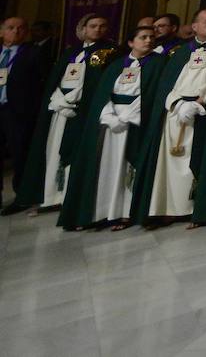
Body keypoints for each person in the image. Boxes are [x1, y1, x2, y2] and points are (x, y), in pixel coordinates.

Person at [130, 8, 206, 227]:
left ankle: (196, 208)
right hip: (175, 115)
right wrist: (176, 102)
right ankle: (170, 208)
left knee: (197, 164)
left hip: (204, 115)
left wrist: (198, 103)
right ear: (194, 27)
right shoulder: (180, 52)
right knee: (170, 166)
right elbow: (167, 83)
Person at [58, 24, 169, 230]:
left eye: (151, 37)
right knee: (104, 168)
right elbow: (103, 94)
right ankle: (99, 213)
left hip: (134, 123)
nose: (148, 40)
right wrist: (109, 115)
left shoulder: (158, 63)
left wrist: (127, 116)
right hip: (109, 125)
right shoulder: (116, 65)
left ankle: (124, 213)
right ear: (130, 42)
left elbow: (153, 94)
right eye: (143, 37)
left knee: (126, 168)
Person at [7, 14, 115, 214]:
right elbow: (56, 79)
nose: (98, 29)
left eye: (102, 25)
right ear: (82, 29)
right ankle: (51, 196)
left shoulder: (107, 51)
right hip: (60, 110)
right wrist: (58, 98)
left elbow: (95, 79)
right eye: (93, 26)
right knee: (52, 151)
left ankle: (68, 195)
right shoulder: (71, 52)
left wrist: (74, 99)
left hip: (80, 111)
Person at [0, 18, 49, 209]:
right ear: (2, 31)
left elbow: (41, 84)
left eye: (21, 28)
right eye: (11, 28)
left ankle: (21, 196)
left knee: (20, 154)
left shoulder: (34, 53)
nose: (16, 32)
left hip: (18, 113)